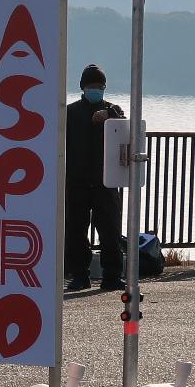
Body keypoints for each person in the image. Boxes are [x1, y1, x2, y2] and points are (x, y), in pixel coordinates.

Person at [64, 64, 126, 292]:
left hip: (106, 181)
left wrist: (108, 114)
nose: (96, 90)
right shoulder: (70, 112)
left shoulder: (112, 110)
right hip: (77, 181)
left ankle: (112, 275)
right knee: (76, 230)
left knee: (110, 230)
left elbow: (123, 119)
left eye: (100, 87)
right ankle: (80, 275)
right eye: (92, 86)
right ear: (82, 87)